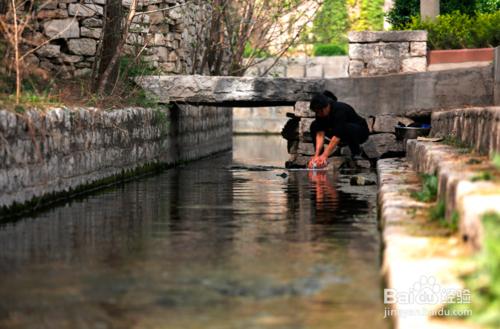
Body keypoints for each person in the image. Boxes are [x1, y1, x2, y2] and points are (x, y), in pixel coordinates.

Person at [308, 91, 369, 169]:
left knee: (347, 127)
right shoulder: (319, 113)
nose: (319, 114)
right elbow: (320, 134)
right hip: (340, 132)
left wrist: (325, 156)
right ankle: (319, 157)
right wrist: (317, 156)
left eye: (321, 111)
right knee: (314, 125)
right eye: (317, 112)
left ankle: (356, 152)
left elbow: (337, 135)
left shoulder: (339, 110)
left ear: (327, 106)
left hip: (360, 132)